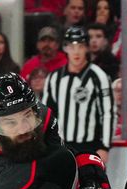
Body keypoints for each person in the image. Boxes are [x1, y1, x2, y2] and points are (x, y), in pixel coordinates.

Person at [43, 26, 114, 161]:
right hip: (62, 145)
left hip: (90, 145)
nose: (76, 52)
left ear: (87, 48)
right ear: (65, 48)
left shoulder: (98, 76)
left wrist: (105, 146)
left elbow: (107, 112)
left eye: (80, 46)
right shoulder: (54, 78)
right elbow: (47, 113)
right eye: (72, 46)